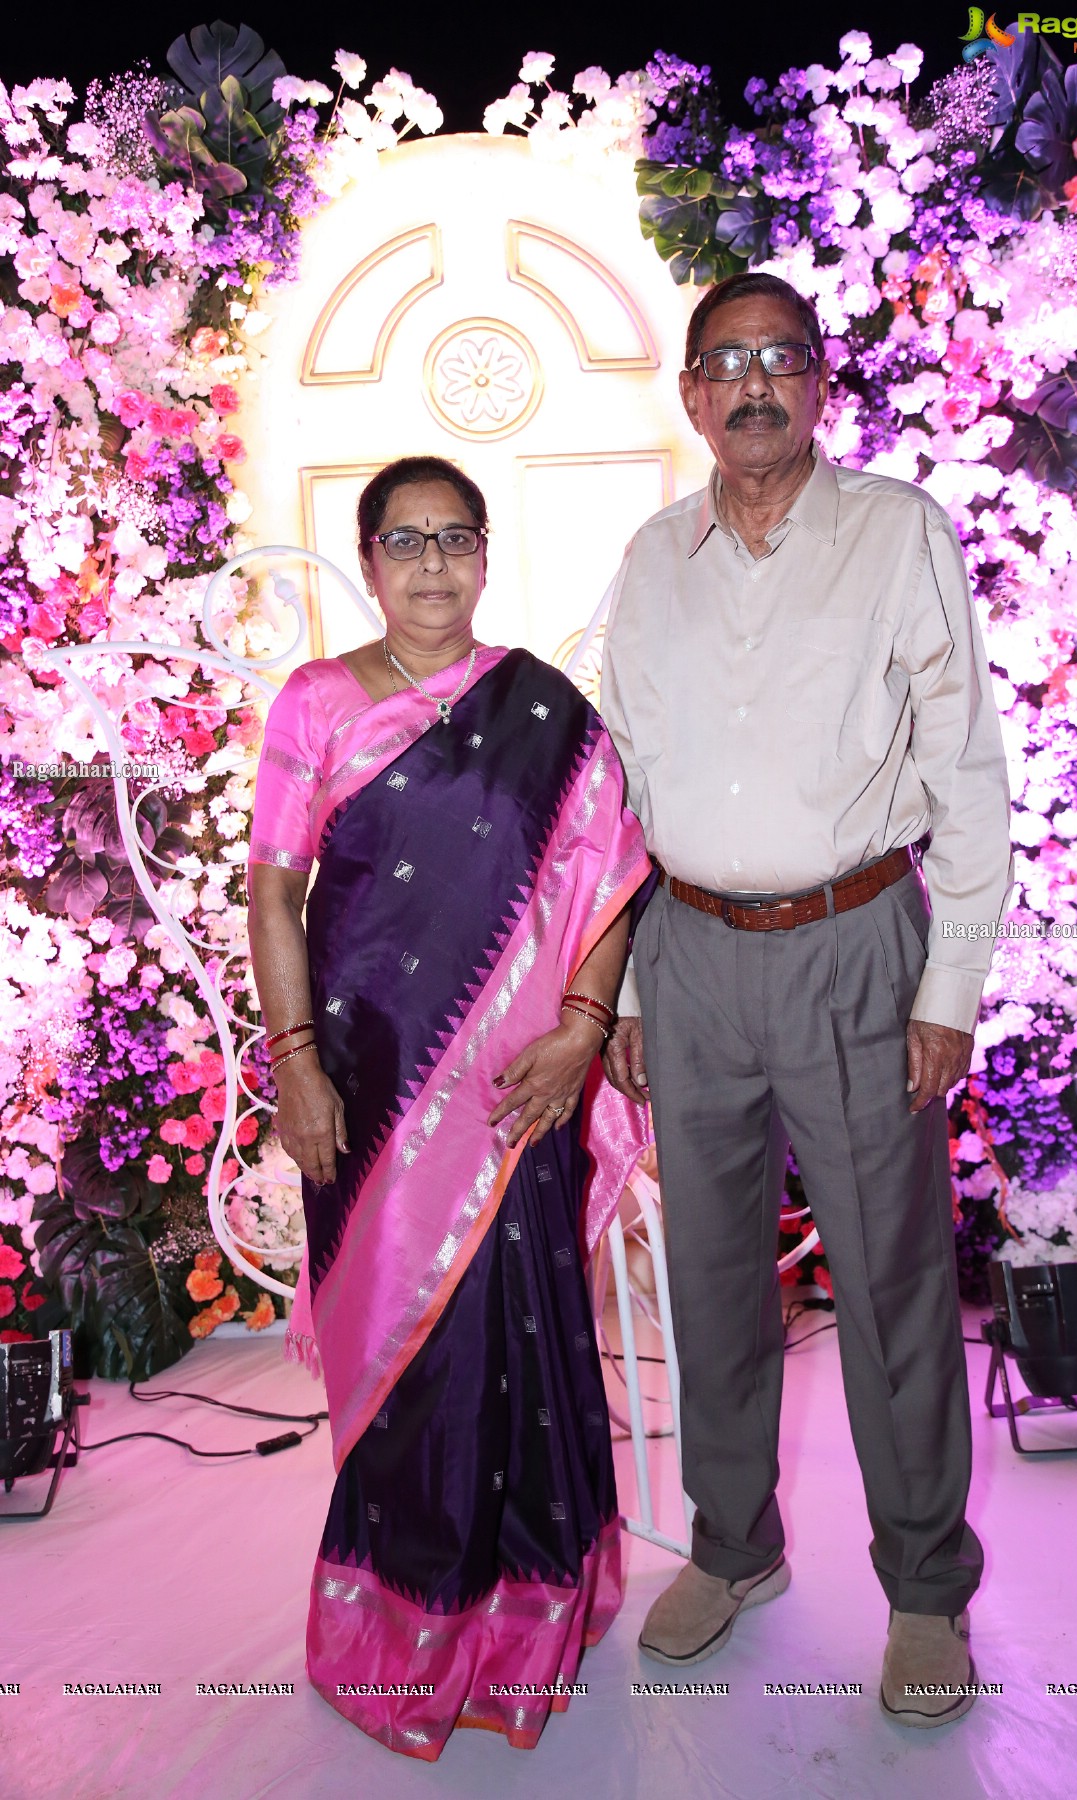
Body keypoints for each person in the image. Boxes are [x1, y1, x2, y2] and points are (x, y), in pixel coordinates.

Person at [600, 272, 1012, 1727]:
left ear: (821, 383)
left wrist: (948, 980)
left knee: (892, 1280)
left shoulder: (897, 533)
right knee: (711, 1274)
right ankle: (735, 1548)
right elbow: (625, 784)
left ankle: (922, 1588)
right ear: (693, 396)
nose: (754, 383)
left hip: (856, 945)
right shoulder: (653, 559)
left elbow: (963, 768)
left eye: (782, 357)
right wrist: (636, 982)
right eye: (726, 362)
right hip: (691, 955)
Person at [247, 455, 652, 1759]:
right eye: (405, 542)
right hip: (363, 1088)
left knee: (521, 1345)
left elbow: (611, 883)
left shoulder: (544, 708)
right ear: (368, 563)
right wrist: (296, 1060)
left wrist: (582, 1030)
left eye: (456, 539)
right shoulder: (312, 704)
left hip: (509, 1088)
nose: (432, 565)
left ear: (486, 557)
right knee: (400, 1360)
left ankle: (530, 1611)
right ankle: (399, 1628)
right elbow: (272, 894)